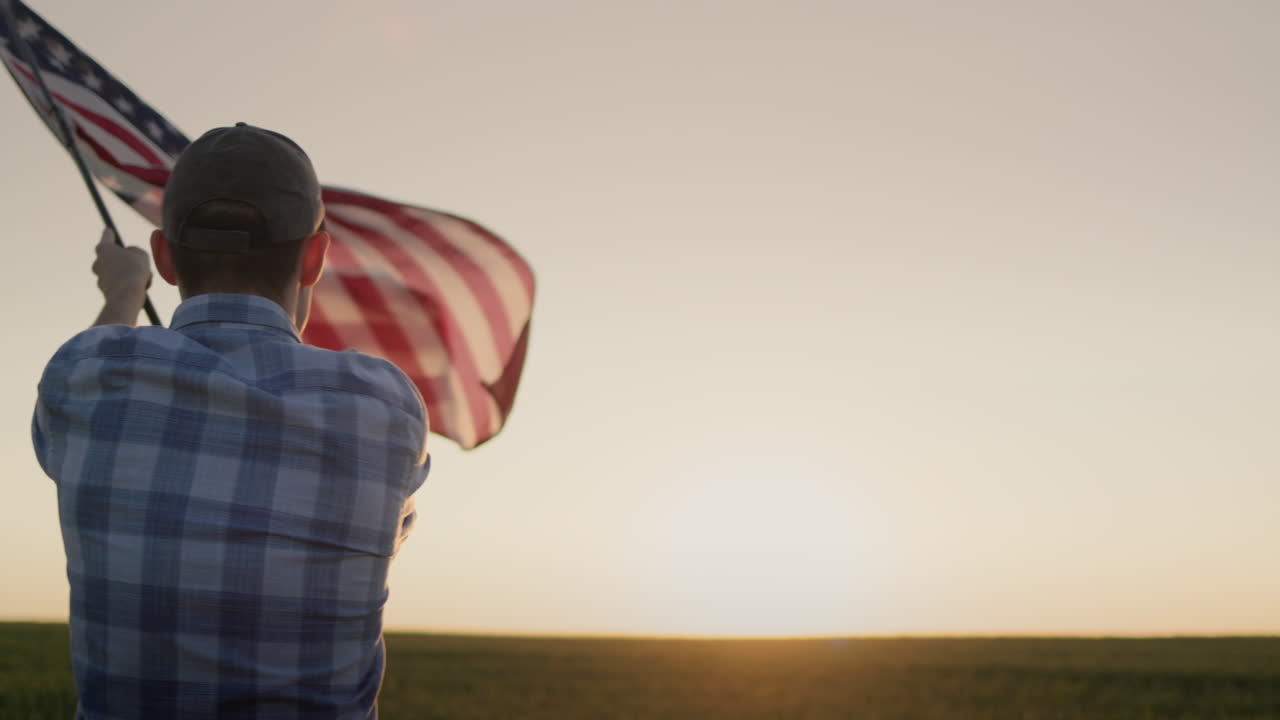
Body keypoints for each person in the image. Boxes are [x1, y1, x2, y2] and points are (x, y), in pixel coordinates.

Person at [32, 123, 429, 719]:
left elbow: (83, 381)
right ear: (314, 258)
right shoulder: (384, 408)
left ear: (165, 256)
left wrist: (123, 290)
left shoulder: (86, 376)